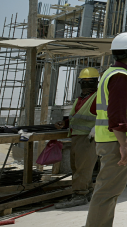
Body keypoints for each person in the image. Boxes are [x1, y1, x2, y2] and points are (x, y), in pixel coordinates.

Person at [86, 32, 127, 227]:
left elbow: (95, 107)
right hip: (116, 143)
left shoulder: (110, 74)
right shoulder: (121, 77)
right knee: (107, 192)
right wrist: (123, 145)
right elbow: (116, 115)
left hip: (110, 140)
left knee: (109, 190)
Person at [53, 67, 100, 209]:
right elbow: (75, 117)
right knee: (77, 167)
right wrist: (65, 123)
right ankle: (87, 192)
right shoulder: (80, 99)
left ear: (95, 83)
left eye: (89, 82)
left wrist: (96, 129)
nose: (86, 85)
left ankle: (80, 194)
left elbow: (105, 116)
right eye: (84, 82)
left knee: (82, 168)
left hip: (87, 138)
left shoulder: (97, 97)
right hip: (76, 136)